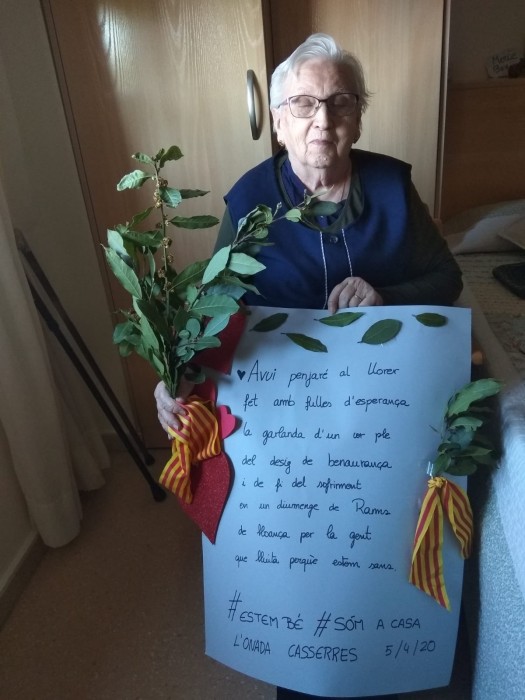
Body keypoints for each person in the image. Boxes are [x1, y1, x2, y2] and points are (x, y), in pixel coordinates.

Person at [155, 33, 463, 700]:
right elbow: (213, 311)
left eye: (340, 102)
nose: (322, 119)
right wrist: (173, 377)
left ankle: (387, 654)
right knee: (298, 560)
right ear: (278, 119)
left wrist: (386, 297)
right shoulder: (249, 202)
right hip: (286, 429)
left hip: (379, 413)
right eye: (302, 103)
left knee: (379, 550)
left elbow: (446, 279)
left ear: (358, 115)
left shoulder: (392, 186)